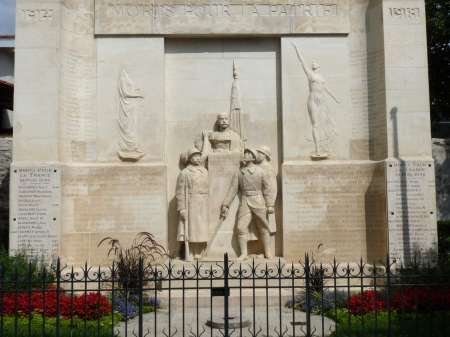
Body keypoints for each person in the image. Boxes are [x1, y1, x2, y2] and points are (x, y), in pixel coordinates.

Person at [221, 148, 276, 259]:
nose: (245, 155)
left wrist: (270, 204)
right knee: (241, 228)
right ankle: (244, 253)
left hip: (259, 200)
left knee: (263, 227)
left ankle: (268, 252)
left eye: (248, 153)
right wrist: (226, 204)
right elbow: (233, 189)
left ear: (253, 157)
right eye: (245, 153)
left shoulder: (261, 171)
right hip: (245, 202)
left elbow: (268, 188)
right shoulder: (239, 172)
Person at [292, 43, 340, 159]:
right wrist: (297, 48)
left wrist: (335, 97)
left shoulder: (321, 77)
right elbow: (302, 61)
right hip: (313, 99)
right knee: (315, 124)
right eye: (312, 63)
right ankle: (317, 149)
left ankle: (324, 147)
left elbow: (325, 88)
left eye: (315, 63)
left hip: (322, 100)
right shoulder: (310, 74)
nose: (313, 63)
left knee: (325, 123)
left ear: (318, 66)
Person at [176, 148, 209, 260]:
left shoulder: (205, 171)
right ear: (189, 159)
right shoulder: (185, 173)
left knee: (202, 228)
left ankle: (199, 251)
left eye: (198, 156)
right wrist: (182, 209)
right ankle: (190, 251)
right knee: (192, 229)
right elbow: (180, 192)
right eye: (194, 156)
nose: (197, 158)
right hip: (191, 202)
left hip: (203, 202)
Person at [255, 145, 277, 235]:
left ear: (265, 155)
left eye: (260, 153)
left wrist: (270, 204)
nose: (257, 155)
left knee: (265, 226)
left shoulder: (267, 168)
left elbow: (271, 187)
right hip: (256, 199)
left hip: (264, 201)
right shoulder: (256, 166)